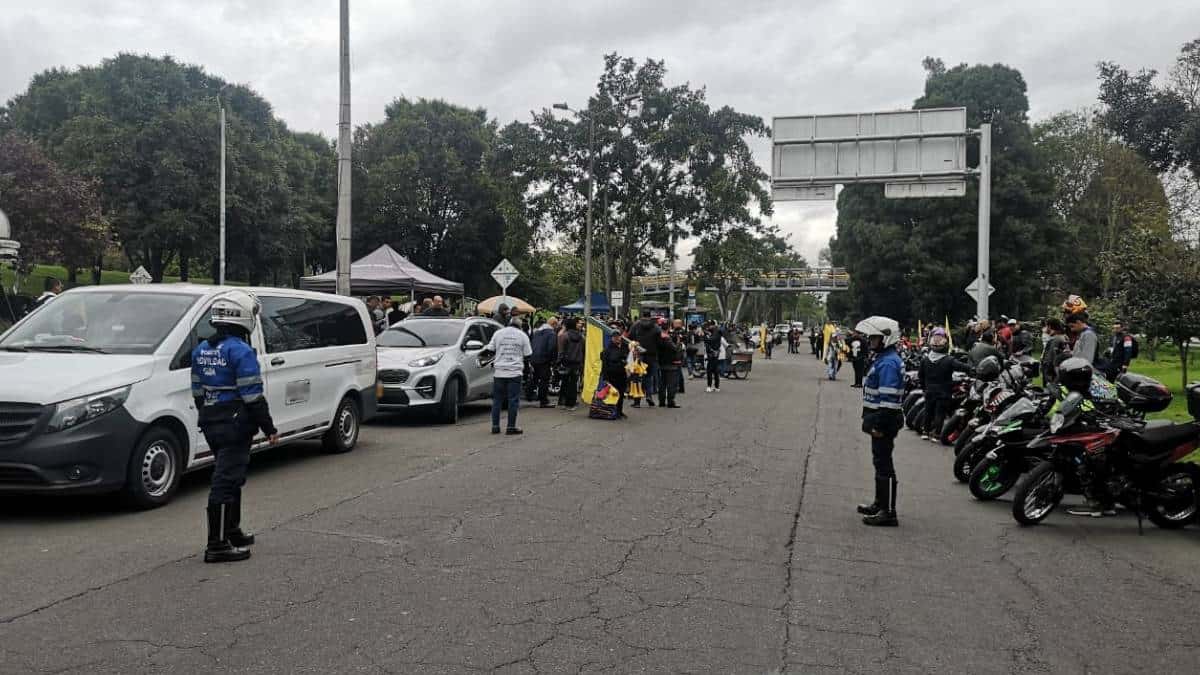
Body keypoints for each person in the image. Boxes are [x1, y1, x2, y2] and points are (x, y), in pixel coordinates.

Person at [190, 290, 279, 563]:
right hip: (236, 423)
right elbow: (252, 395)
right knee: (226, 481)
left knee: (231, 476)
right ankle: (216, 545)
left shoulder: (202, 349)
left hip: (212, 421)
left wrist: (209, 412)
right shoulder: (241, 351)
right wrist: (269, 427)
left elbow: (197, 390)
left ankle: (232, 531)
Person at [855, 316, 905, 527]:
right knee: (879, 461)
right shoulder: (884, 359)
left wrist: (879, 425)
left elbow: (889, 399)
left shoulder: (888, 363)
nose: (871, 341)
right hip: (880, 418)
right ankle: (879, 503)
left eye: (875, 338)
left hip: (884, 419)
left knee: (884, 464)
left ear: (886, 338)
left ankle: (888, 512)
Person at [483, 316, 533, 435]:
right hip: (515, 372)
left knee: (497, 400)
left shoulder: (498, 333)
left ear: (509, 323)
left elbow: (490, 350)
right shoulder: (522, 335)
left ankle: (495, 426)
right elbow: (528, 354)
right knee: (513, 400)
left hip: (499, 371)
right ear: (520, 325)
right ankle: (511, 427)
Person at [918, 328, 969, 441]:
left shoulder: (925, 360)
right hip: (944, 391)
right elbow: (963, 367)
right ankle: (936, 434)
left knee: (928, 411)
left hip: (929, 390)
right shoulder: (949, 360)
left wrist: (924, 388)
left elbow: (920, 376)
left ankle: (925, 432)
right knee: (939, 413)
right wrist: (975, 369)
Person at [629, 314, 660, 407]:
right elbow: (659, 341)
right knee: (649, 377)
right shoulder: (655, 326)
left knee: (636, 378)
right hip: (651, 355)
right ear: (650, 316)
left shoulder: (635, 325)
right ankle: (649, 396)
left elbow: (630, 337)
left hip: (638, 356)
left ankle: (637, 401)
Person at [529, 317, 558, 408]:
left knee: (535, 377)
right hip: (544, 359)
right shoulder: (551, 333)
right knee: (544, 379)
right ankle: (543, 400)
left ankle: (529, 394)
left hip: (534, 358)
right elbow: (551, 347)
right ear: (553, 324)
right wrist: (552, 360)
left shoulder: (537, 332)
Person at [558, 317, 585, 410]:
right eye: (580, 323)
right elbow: (583, 350)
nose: (581, 325)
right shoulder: (581, 337)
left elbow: (561, 350)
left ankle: (562, 402)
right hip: (577, 362)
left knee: (565, 382)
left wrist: (559, 361)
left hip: (566, 362)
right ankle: (571, 403)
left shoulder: (564, 336)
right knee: (573, 383)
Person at [601, 330, 629, 418]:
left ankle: (619, 411)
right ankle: (612, 411)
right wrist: (605, 377)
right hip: (612, 375)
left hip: (622, 374)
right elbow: (605, 363)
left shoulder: (625, 347)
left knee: (620, 394)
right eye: (615, 336)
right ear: (612, 338)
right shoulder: (608, 349)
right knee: (613, 394)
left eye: (618, 336)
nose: (617, 338)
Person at [657, 327, 682, 408]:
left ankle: (661, 401)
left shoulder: (657, 337)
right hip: (671, 363)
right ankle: (670, 401)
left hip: (661, 363)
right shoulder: (667, 339)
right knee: (671, 384)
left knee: (662, 384)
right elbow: (675, 349)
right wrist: (678, 342)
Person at [1040, 318, 1069, 384]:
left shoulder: (1055, 339)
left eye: (1046, 326)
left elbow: (1050, 358)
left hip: (1052, 373)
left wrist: (1047, 373)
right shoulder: (1063, 337)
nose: (1045, 328)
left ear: (1049, 326)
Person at [703, 323, 728, 392]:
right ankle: (716, 387)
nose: (710, 327)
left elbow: (709, 341)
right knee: (715, 371)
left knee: (710, 371)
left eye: (711, 326)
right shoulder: (717, 334)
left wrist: (704, 336)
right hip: (715, 355)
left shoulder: (715, 335)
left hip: (712, 355)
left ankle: (709, 386)